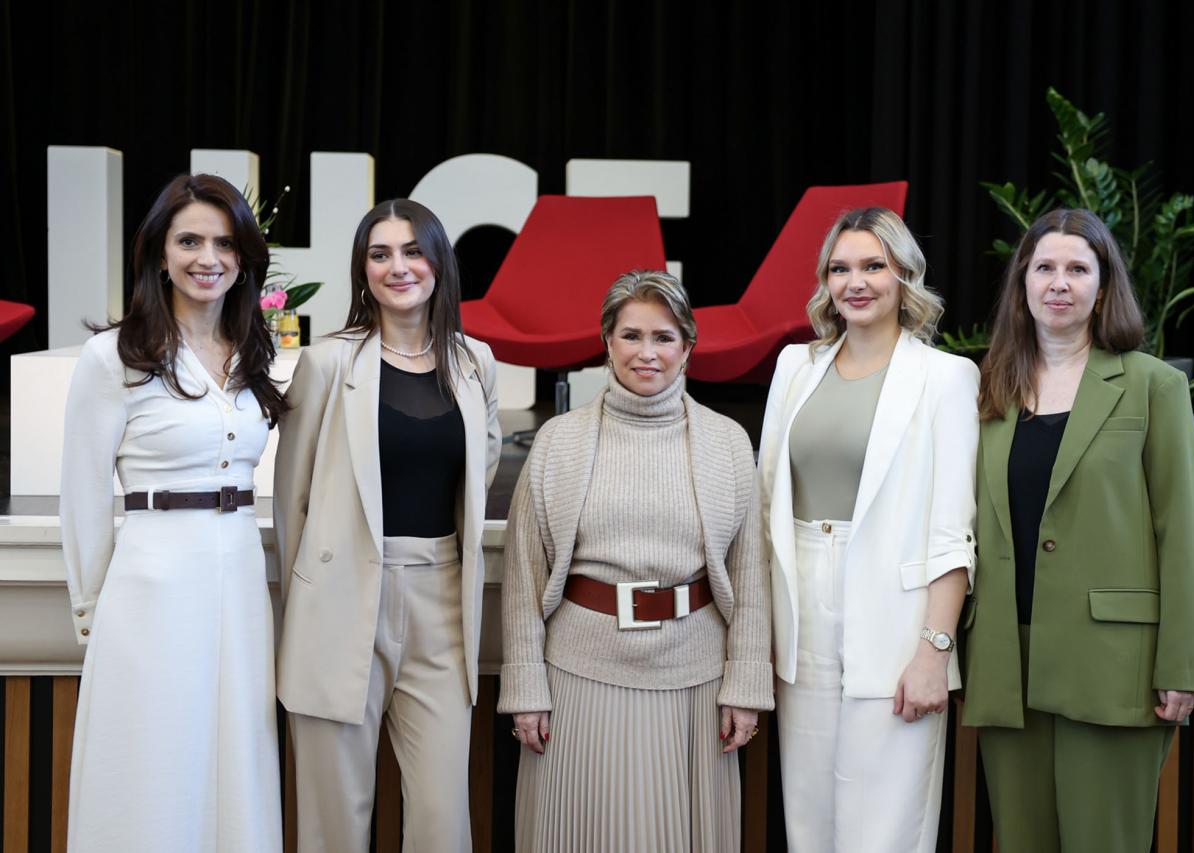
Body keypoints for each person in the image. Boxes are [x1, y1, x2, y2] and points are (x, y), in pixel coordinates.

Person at [961, 208, 1194, 852]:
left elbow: (1178, 531)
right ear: (1022, 282)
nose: (1059, 282)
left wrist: (1182, 663)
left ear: (1104, 286)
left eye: (1078, 268)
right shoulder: (987, 385)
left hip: (1113, 665)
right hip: (1005, 658)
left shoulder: (1154, 385)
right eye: (1044, 267)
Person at [499, 270, 772, 853]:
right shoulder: (558, 440)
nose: (646, 353)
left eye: (664, 337)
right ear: (607, 343)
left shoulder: (728, 442)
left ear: (688, 347)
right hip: (578, 677)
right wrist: (525, 688)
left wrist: (746, 685)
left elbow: (751, 576)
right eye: (631, 336)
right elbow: (523, 575)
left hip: (696, 683)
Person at [60, 173, 286, 852]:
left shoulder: (254, 353)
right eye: (189, 240)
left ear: (243, 256)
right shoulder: (113, 357)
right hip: (150, 589)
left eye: (223, 242)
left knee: (235, 757)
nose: (206, 257)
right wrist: (94, 611)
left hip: (241, 579)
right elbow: (82, 494)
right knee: (152, 760)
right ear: (160, 252)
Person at [273, 199, 500, 852]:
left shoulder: (476, 362)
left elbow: (475, 476)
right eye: (380, 254)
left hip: (442, 603)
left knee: (441, 821)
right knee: (334, 822)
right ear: (362, 269)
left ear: (439, 263)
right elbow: (293, 501)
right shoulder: (326, 364)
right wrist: (306, 606)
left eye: (412, 250)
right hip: (338, 604)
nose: (397, 266)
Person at [757, 207, 978, 852]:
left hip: (898, 629)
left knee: (883, 831)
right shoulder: (795, 366)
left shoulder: (946, 377)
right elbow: (766, 497)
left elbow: (952, 533)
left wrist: (933, 651)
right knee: (809, 823)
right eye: (840, 267)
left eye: (873, 266)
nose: (856, 282)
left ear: (905, 275)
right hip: (801, 620)